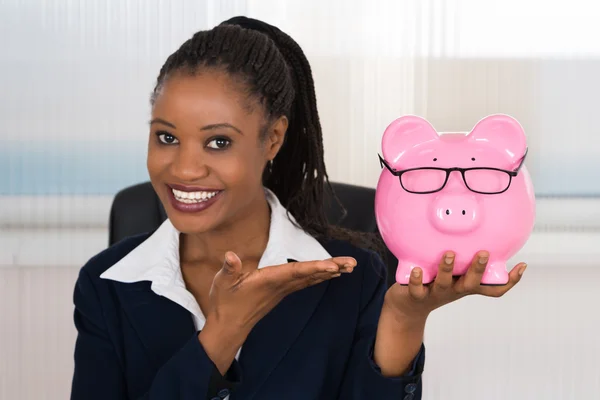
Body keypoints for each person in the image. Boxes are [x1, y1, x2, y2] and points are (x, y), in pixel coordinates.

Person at [70, 16, 526, 400]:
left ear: (273, 138)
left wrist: (406, 318)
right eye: (166, 137)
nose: (185, 168)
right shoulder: (106, 285)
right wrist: (222, 332)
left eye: (219, 141)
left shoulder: (355, 279)